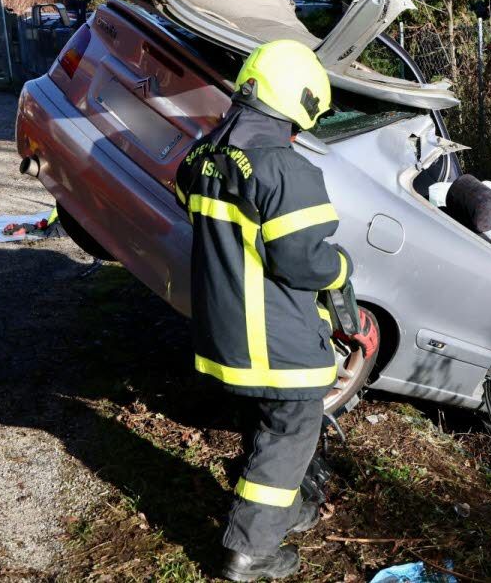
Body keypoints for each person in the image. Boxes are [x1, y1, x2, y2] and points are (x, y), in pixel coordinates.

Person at [175, 39, 378, 581]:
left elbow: (188, 201)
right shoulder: (284, 169)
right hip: (274, 340)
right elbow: (305, 263)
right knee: (289, 434)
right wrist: (342, 269)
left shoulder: (203, 154)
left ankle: (282, 511)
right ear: (299, 101)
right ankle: (251, 549)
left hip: (222, 334)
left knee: (266, 427)